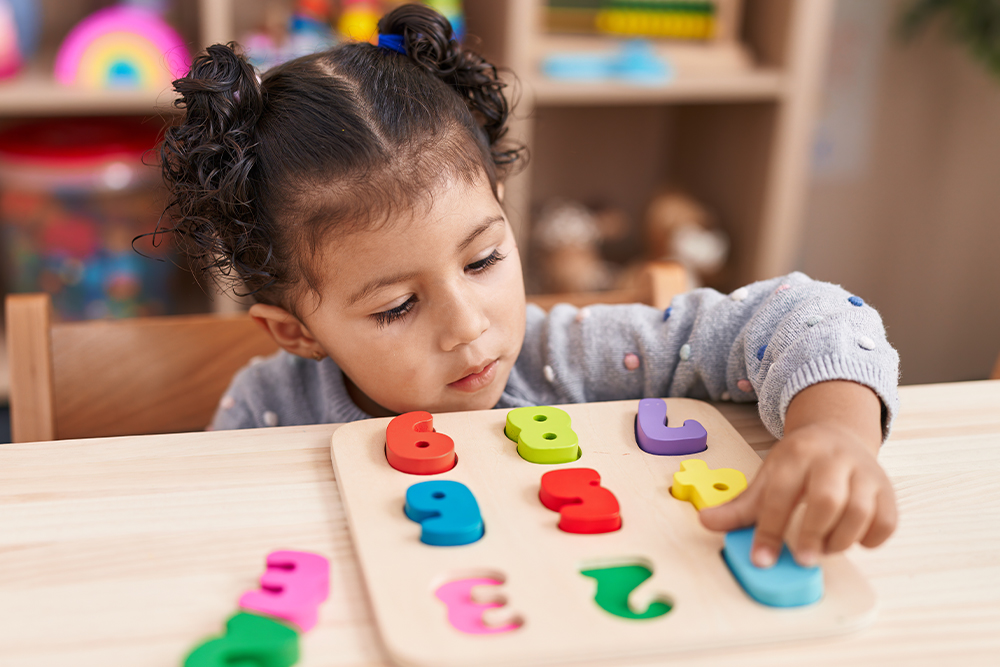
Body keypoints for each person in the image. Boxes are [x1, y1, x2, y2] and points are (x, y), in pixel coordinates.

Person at [157, 4, 899, 571]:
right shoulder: (267, 410)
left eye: (482, 260)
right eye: (397, 306)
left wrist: (834, 434)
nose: (469, 327)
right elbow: (216, 558)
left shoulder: (569, 359)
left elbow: (810, 313)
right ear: (298, 331)